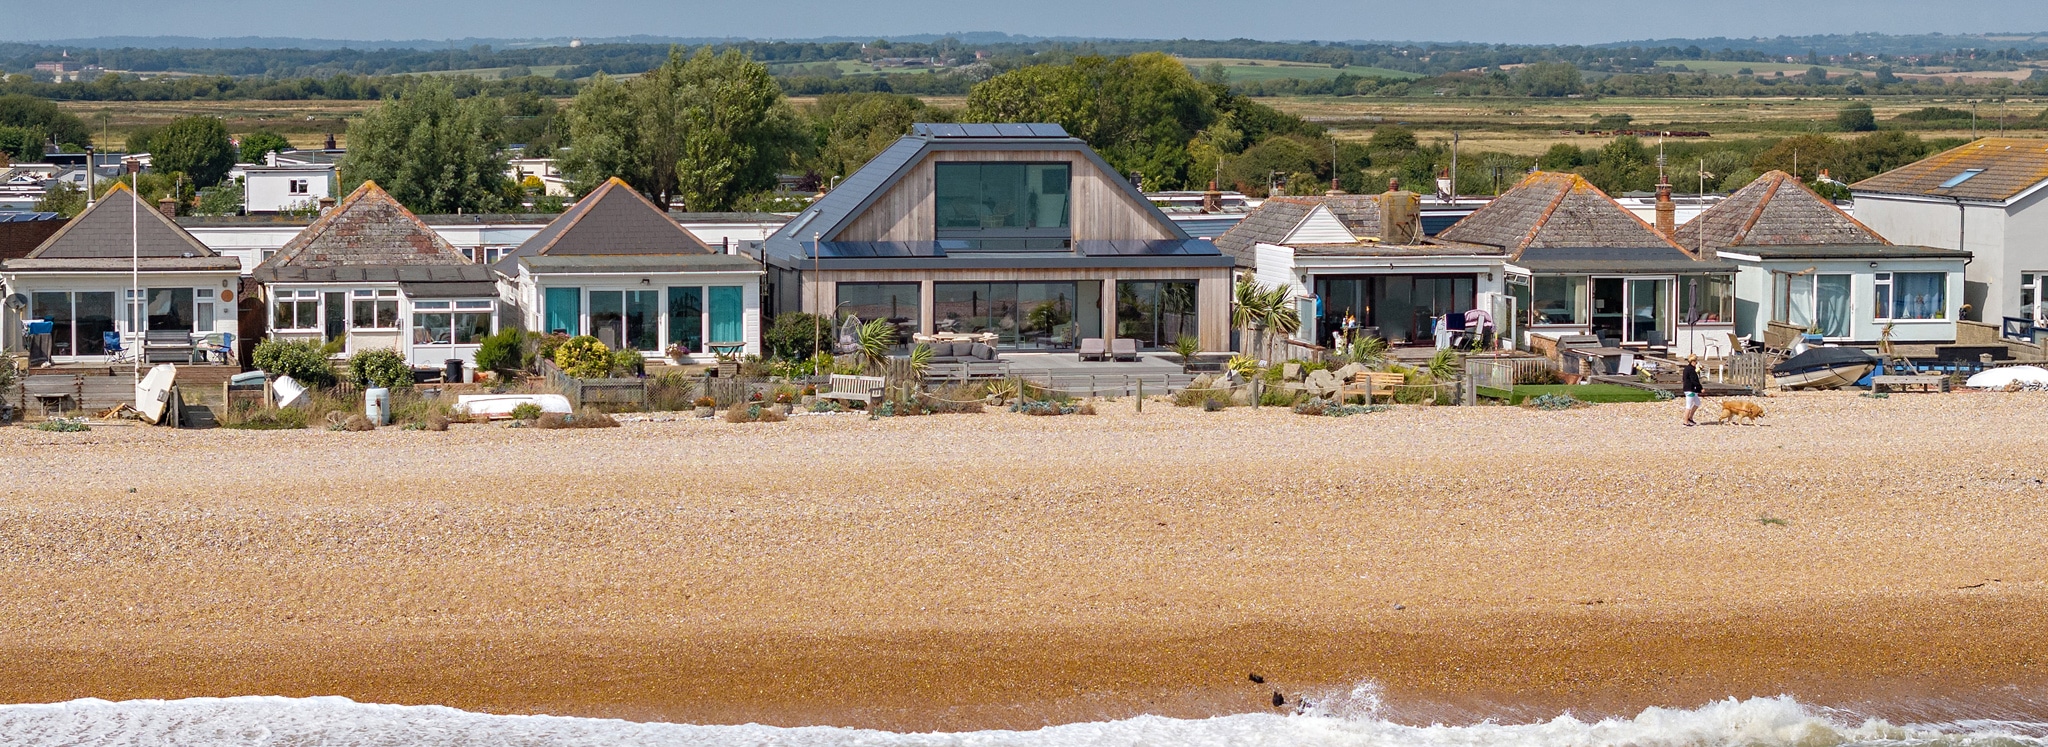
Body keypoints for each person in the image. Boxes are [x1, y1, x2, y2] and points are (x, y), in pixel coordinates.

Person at [1680, 354, 1704, 426]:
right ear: (1692, 361)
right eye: (1696, 361)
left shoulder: (1687, 368)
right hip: (1690, 390)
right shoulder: (1691, 370)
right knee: (1689, 406)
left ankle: (1690, 418)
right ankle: (1685, 421)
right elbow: (1695, 381)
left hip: (1691, 390)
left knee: (1697, 403)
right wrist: (1701, 388)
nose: (1696, 363)